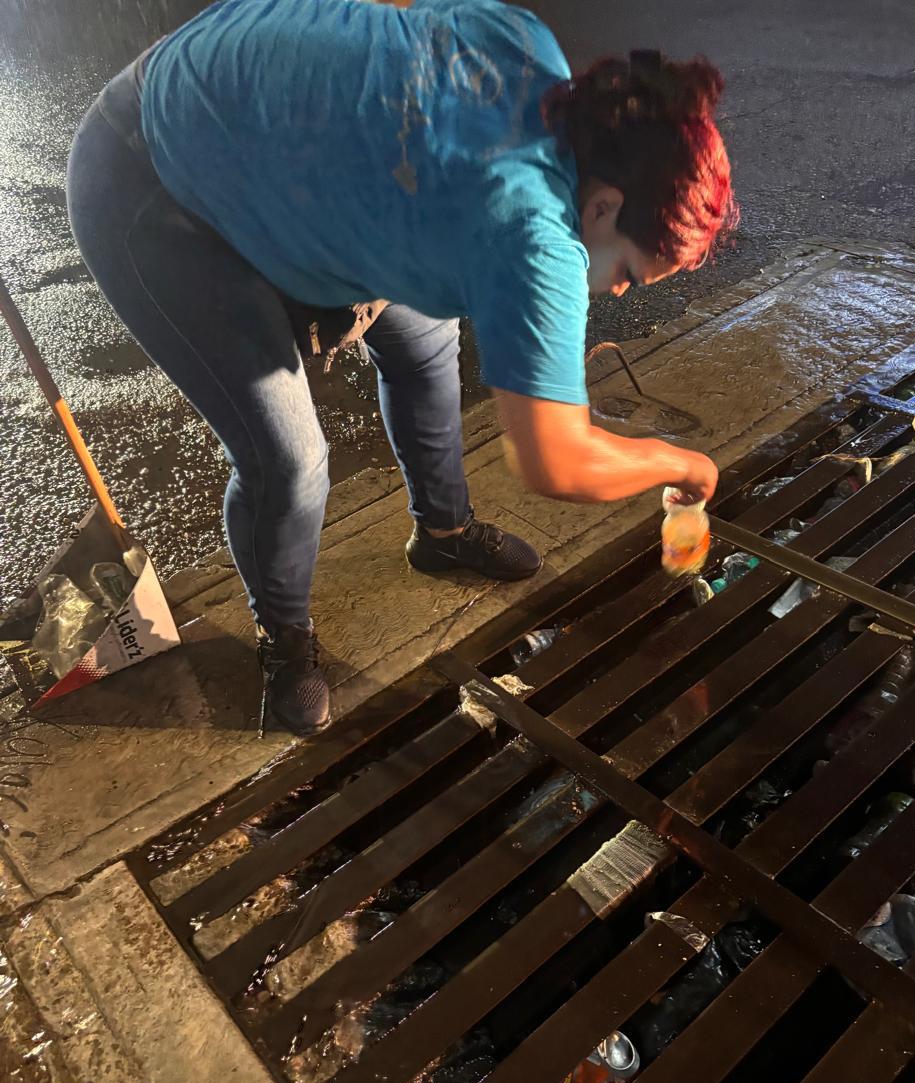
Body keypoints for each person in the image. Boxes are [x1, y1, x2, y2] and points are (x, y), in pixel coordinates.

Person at [67, 0, 738, 737]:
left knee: (425, 343)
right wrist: (679, 463)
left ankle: (442, 537)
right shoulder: (530, 239)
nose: (618, 291)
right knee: (287, 461)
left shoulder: (527, 48)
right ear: (604, 205)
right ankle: (283, 636)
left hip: (255, 126)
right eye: (630, 273)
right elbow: (557, 459)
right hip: (152, 176)